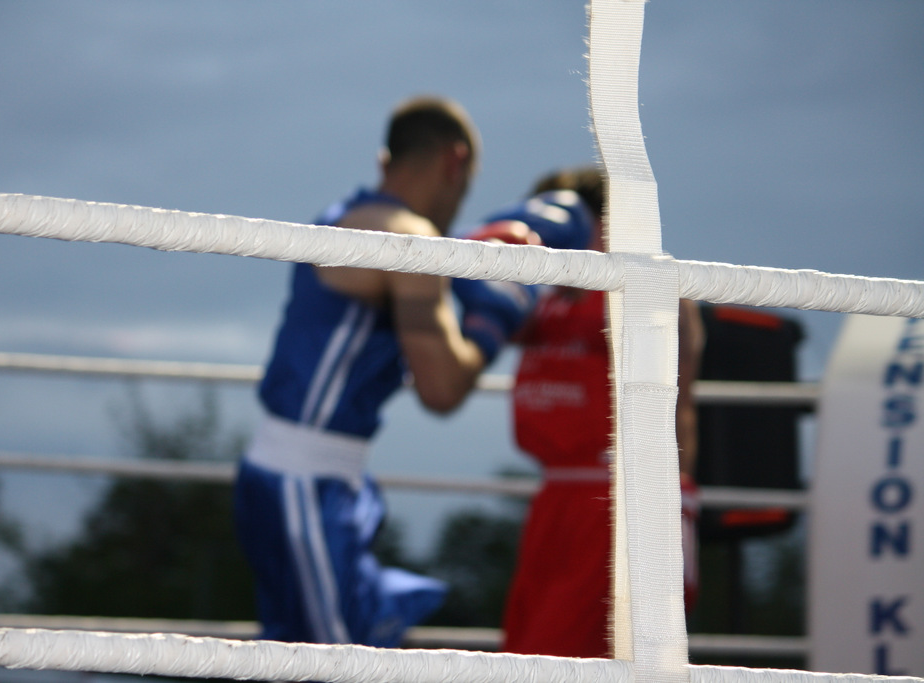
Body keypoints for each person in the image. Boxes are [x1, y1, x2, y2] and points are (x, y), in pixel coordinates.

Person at [232, 95, 538, 648]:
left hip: (294, 473)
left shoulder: (348, 215)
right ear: (455, 162)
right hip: (307, 482)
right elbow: (441, 390)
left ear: (385, 160)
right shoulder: (410, 244)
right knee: (337, 664)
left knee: (309, 650)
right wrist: (495, 320)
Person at [484, 166, 703, 658]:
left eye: (555, 228)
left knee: (572, 658)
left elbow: (677, 396)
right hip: (555, 497)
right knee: (524, 656)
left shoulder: (648, 287)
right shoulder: (545, 297)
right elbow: (486, 316)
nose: (544, 242)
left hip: (620, 495)